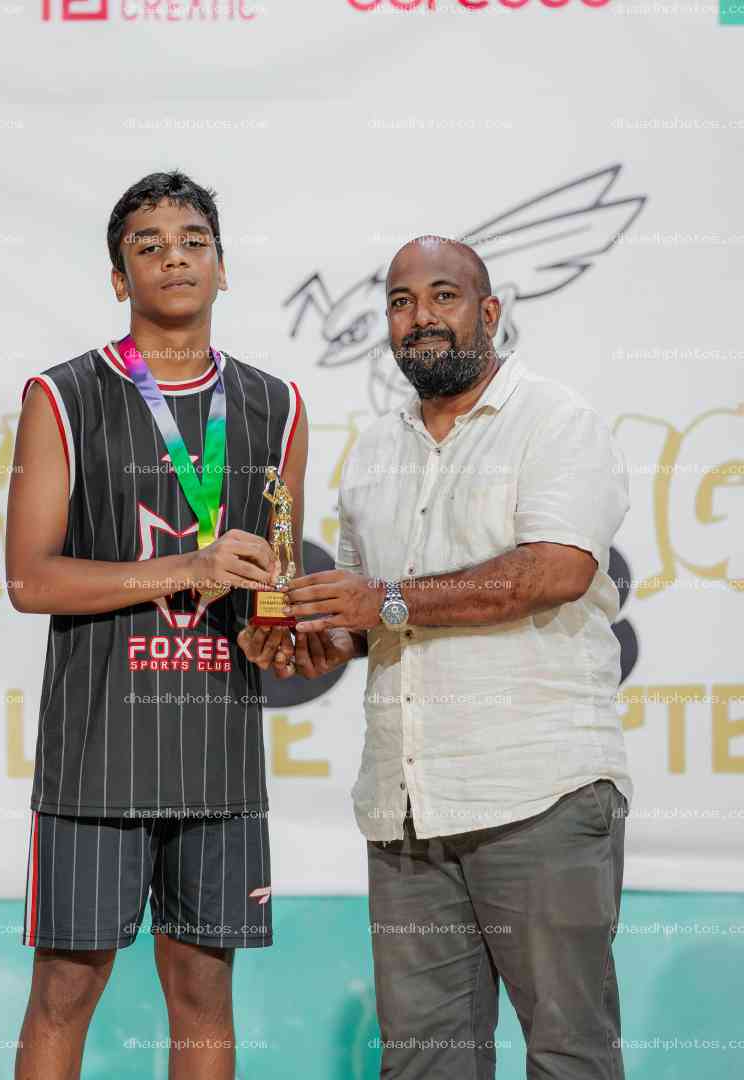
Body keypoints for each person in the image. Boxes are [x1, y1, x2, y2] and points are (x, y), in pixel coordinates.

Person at [250, 235, 632, 1079]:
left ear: (489, 311)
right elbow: (365, 624)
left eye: (443, 296)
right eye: (400, 302)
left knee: (569, 1055)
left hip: (538, 795)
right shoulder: (374, 451)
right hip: (408, 811)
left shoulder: (555, 421)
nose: (420, 317)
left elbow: (555, 571)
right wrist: (312, 643)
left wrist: (383, 601)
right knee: (423, 1063)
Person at [6, 170, 305, 1080]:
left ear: (223, 267)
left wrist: (277, 629)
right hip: (98, 750)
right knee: (64, 989)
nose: (174, 258)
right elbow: (29, 577)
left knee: (204, 991)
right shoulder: (62, 396)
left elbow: (275, 584)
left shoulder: (279, 405)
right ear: (118, 276)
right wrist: (186, 567)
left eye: (193, 242)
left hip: (218, 748)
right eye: (149, 245)